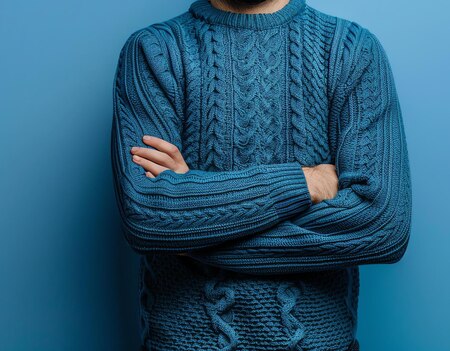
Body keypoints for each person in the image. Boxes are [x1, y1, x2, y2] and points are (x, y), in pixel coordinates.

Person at [109, 0, 412, 349]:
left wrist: (196, 232)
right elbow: (147, 216)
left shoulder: (351, 49)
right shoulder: (152, 51)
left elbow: (382, 226)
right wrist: (303, 181)